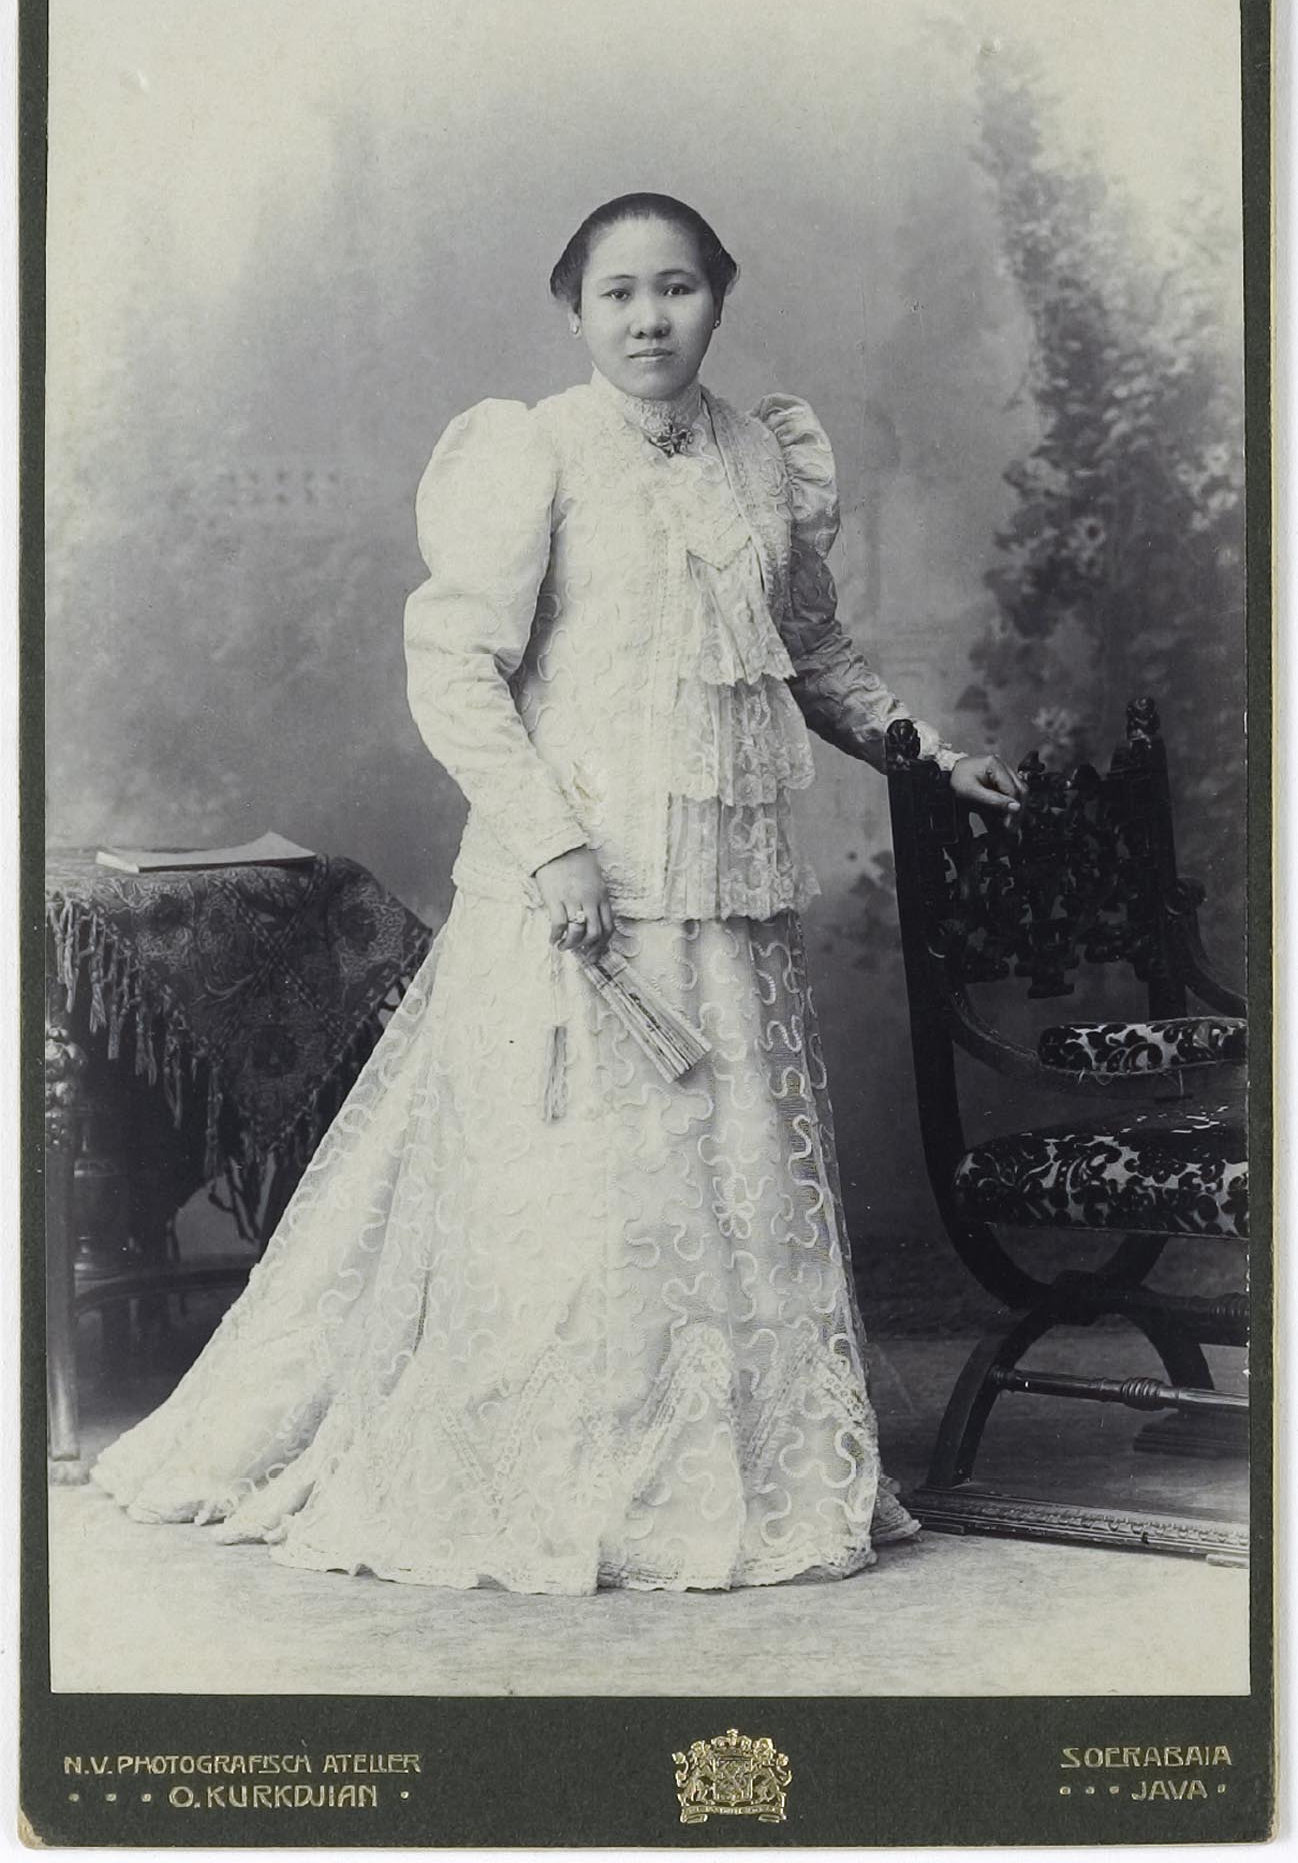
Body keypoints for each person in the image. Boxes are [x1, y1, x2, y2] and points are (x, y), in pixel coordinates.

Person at [92, 192, 1023, 1594]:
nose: (648, 320)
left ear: (718, 296)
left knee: (723, 1182)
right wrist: (552, 845)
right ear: (574, 310)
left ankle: (725, 1477)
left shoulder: (761, 462)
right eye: (615, 296)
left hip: (722, 896)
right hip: (572, 897)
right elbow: (454, 669)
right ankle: (563, 1473)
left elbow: (812, 653)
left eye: (676, 290)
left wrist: (927, 755)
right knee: (581, 1188)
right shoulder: (530, 454)